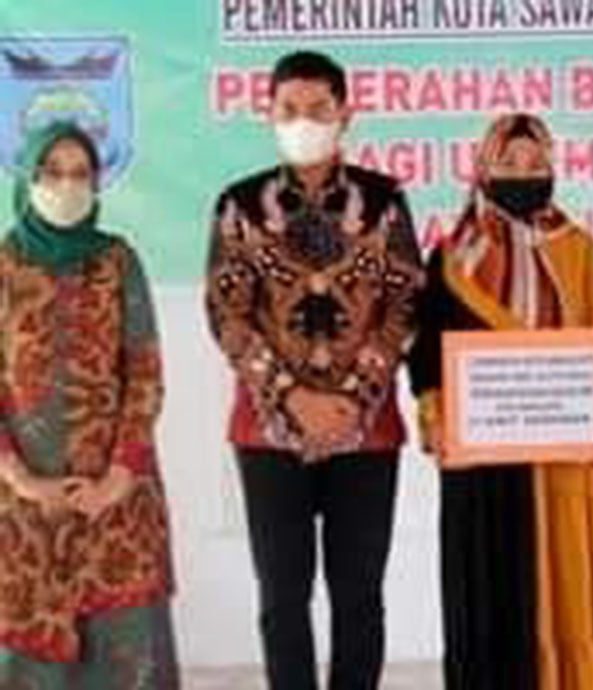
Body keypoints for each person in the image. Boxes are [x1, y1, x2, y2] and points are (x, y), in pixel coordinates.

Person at [408, 112, 593, 690]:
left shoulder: (578, 249)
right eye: (509, 163)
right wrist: (435, 414)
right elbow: (426, 354)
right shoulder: (451, 258)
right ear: (483, 168)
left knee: (572, 583)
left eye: (536, 163)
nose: (524, 174)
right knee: (490, 590)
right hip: (483, 466)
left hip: (568, 459)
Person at [205, 50, 423, 690]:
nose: (304, 121)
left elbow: (406, 304)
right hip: (268, 432)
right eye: (290, 109)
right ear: (269, 115)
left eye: (318, 109)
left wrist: (353, 398)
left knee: (359, 596)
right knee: (282, 597)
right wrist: (292, 397)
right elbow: (227, 315)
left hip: (368, 430)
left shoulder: (383, 201)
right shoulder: (239, 204)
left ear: (345, 114)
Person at [0, 121, 177, 689]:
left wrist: (119, 476)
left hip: (116, 499)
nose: (66, 185)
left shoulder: (118, 261)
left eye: (80, 174)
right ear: (28, 178)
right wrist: (22, 480)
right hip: (20, 506)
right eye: (52, 171)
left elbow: (144, 374)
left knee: (124, 653)